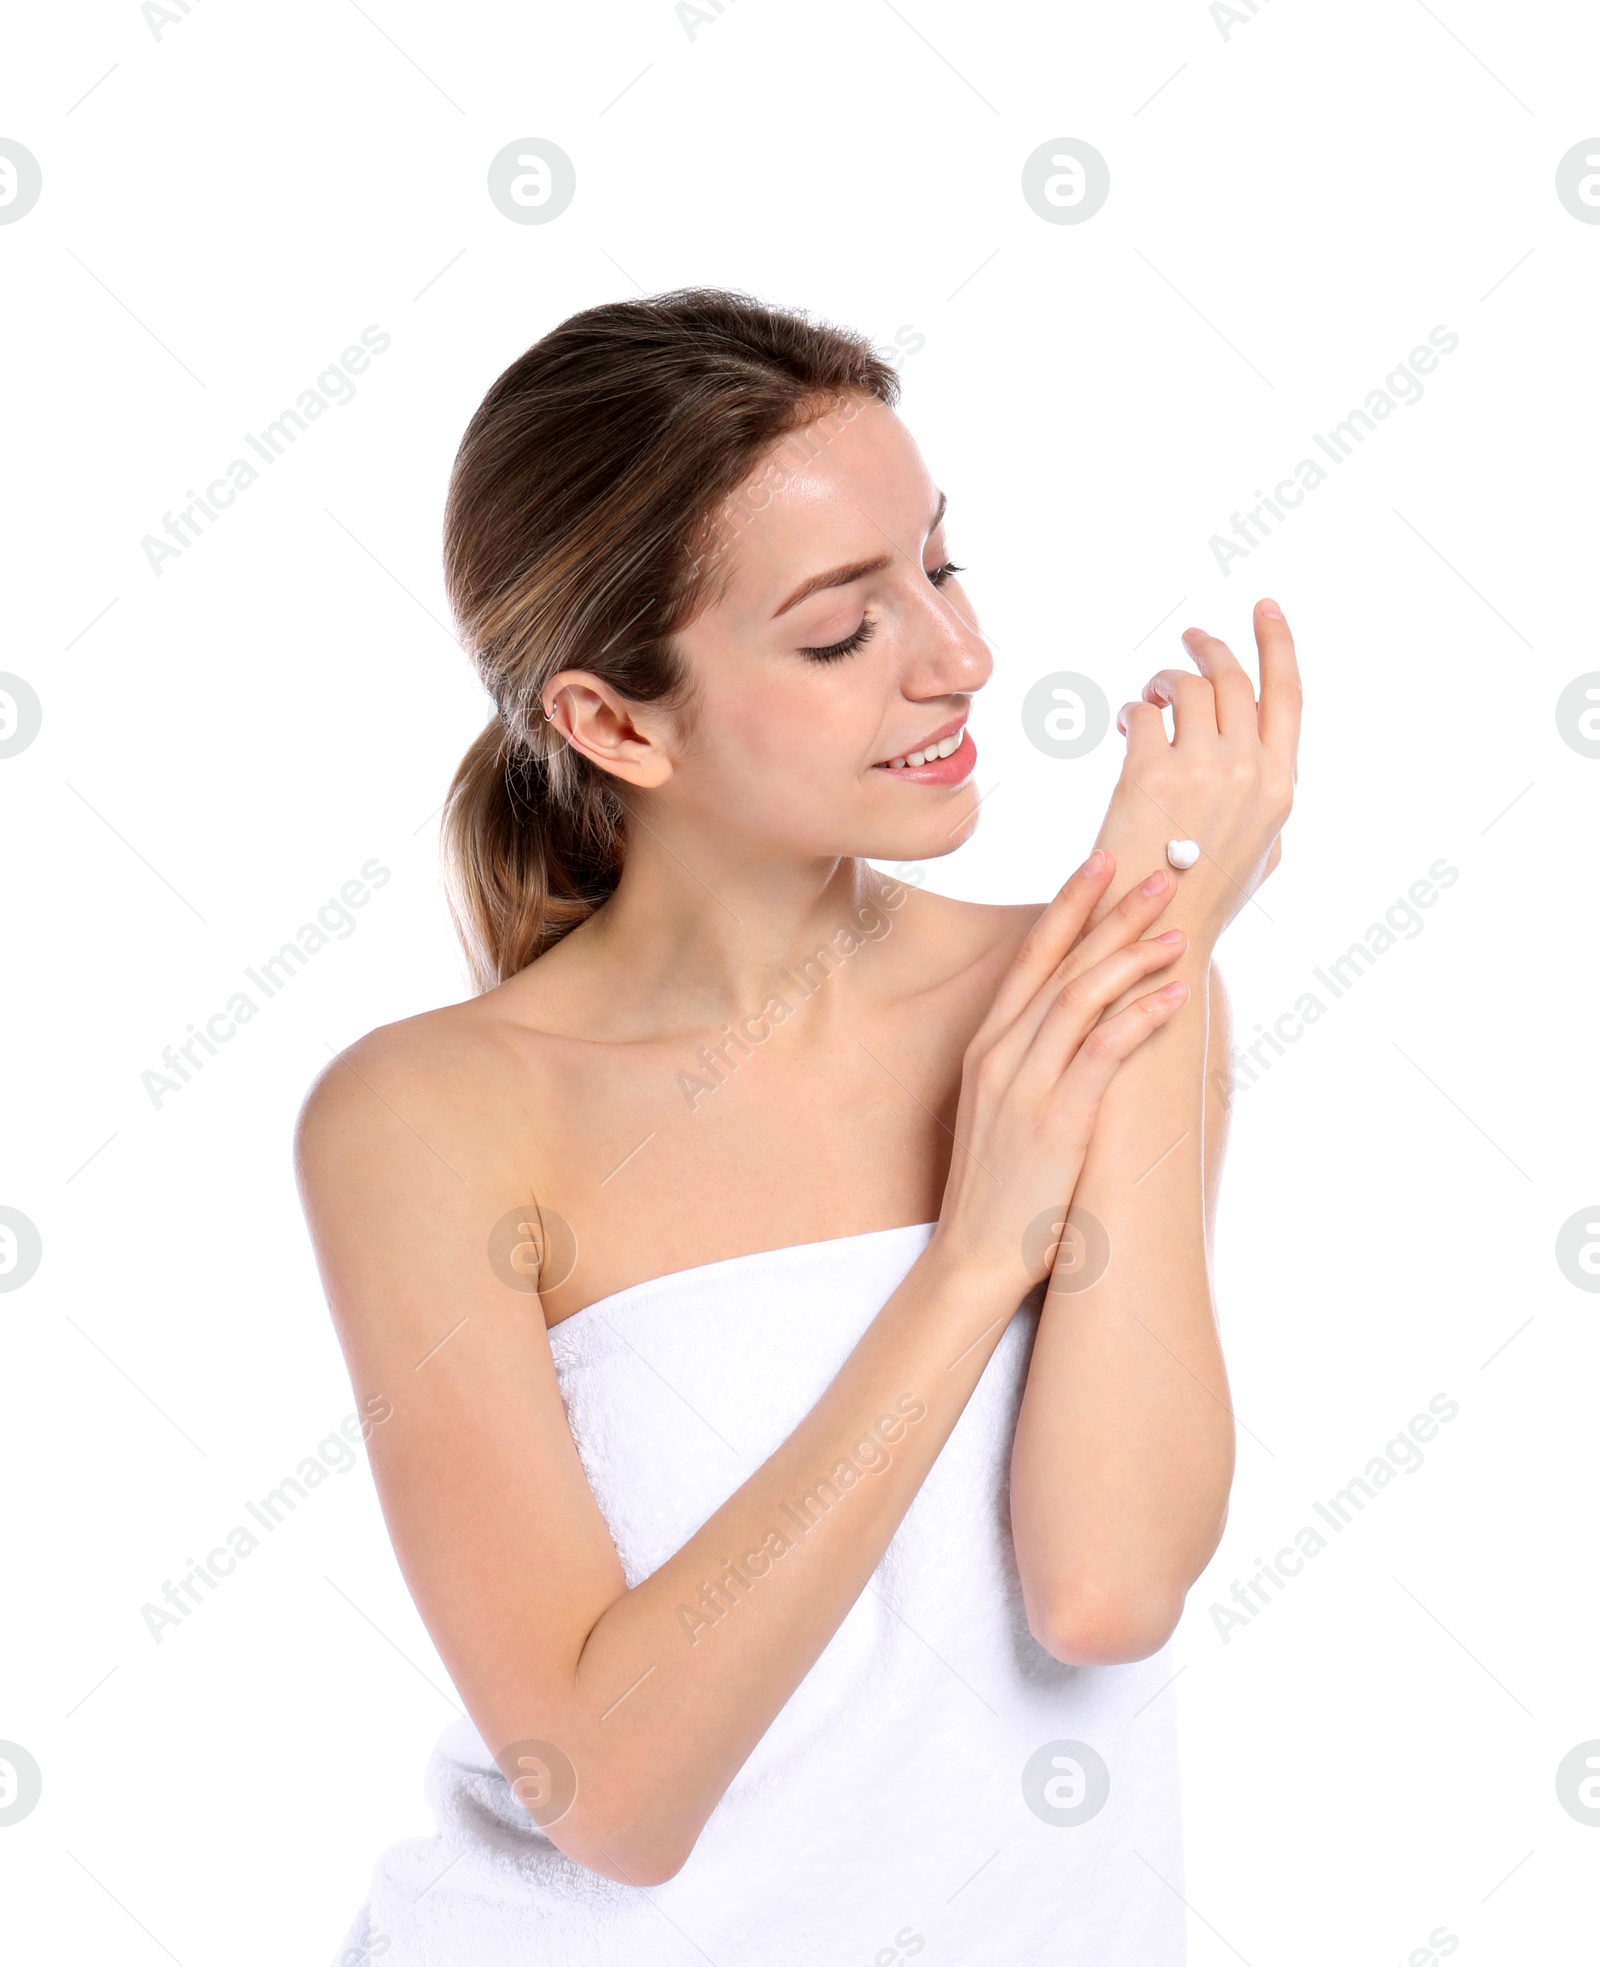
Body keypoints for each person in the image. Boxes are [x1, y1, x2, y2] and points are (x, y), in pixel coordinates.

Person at [295, 287, 1300, 1966]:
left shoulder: (1089, 987)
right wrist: (975, 1256)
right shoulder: (430, 1117)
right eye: (841, 633)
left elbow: (1107, 1588)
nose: (959, 657)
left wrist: (1151, 927)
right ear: (616, 723)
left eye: (941, 565)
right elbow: (611, 1797)